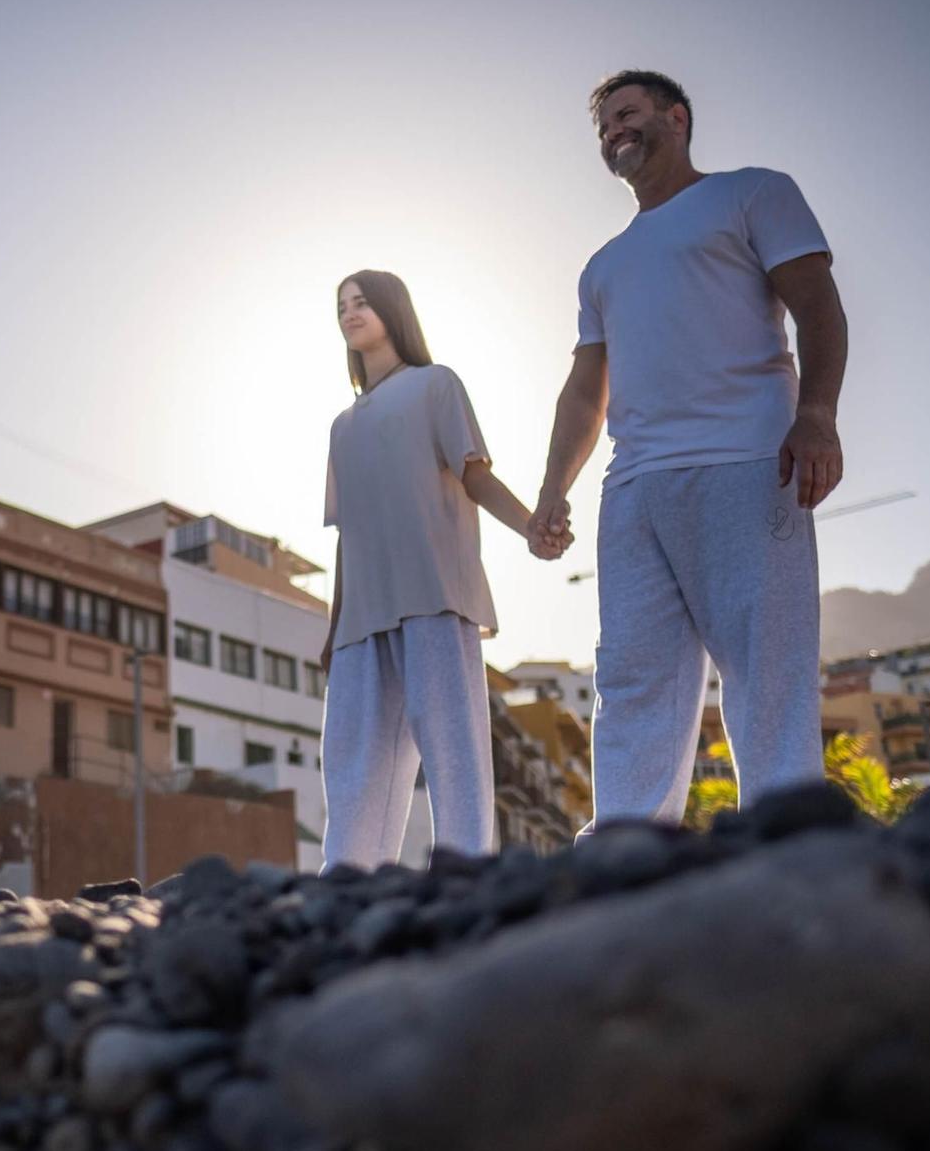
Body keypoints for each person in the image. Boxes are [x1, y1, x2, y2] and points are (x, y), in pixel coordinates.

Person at [529, 70, 850, 830]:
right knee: (634, 677)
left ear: (677, 117)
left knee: (766, 670)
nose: (614, 131)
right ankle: (629, 847)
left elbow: (819, 306)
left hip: (747, 460)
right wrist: (552, 488)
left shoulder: (752, 193)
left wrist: (818, 415)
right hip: (635, 485)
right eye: (604, 125)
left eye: (628, 114)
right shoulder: (602, 265)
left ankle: (784, 840)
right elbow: (585, 390)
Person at [320, 269, 536, 868]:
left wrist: (532, 527)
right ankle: (345, 886)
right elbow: (347, 534)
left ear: (394, 310)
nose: (350, 313)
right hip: (361, 620)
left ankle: (468, 873)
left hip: (435, 597)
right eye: (342, 306)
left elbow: (474, 475)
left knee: (453, 749)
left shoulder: (436, 385)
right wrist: (334, 628)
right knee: (353, 764)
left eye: (362, 302)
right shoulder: (342, 427)